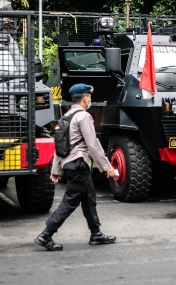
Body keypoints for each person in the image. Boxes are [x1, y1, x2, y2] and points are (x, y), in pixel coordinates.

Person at [35, 83, 116, 251]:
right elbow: (92, 144)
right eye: (90, 97)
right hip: (79, 164)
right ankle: (46, 234)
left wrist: (56, 170)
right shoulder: (83, 117)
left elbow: (60, 146)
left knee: (89, 198)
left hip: (72, 165)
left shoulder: (65, 117)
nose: (90, 100)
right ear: (85, 98)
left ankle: (96, 233)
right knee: (70, 201)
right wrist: (106, 166)